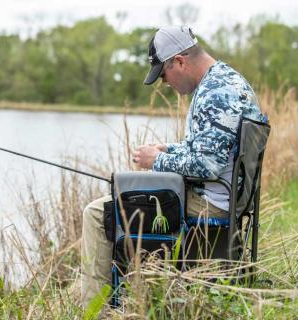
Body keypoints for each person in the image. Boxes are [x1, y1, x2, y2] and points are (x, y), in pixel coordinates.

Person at [80, 26, 264, 306]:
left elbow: (207, 165)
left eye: (163, 74)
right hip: (221, 196)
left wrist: (157, 160)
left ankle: (94, 311)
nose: (164, 83)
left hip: (209, 203)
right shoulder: (225, 81)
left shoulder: (216, 93)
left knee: (96, 214)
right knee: (119, 199)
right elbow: (212, 148)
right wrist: (169, 149)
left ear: (179, 61)